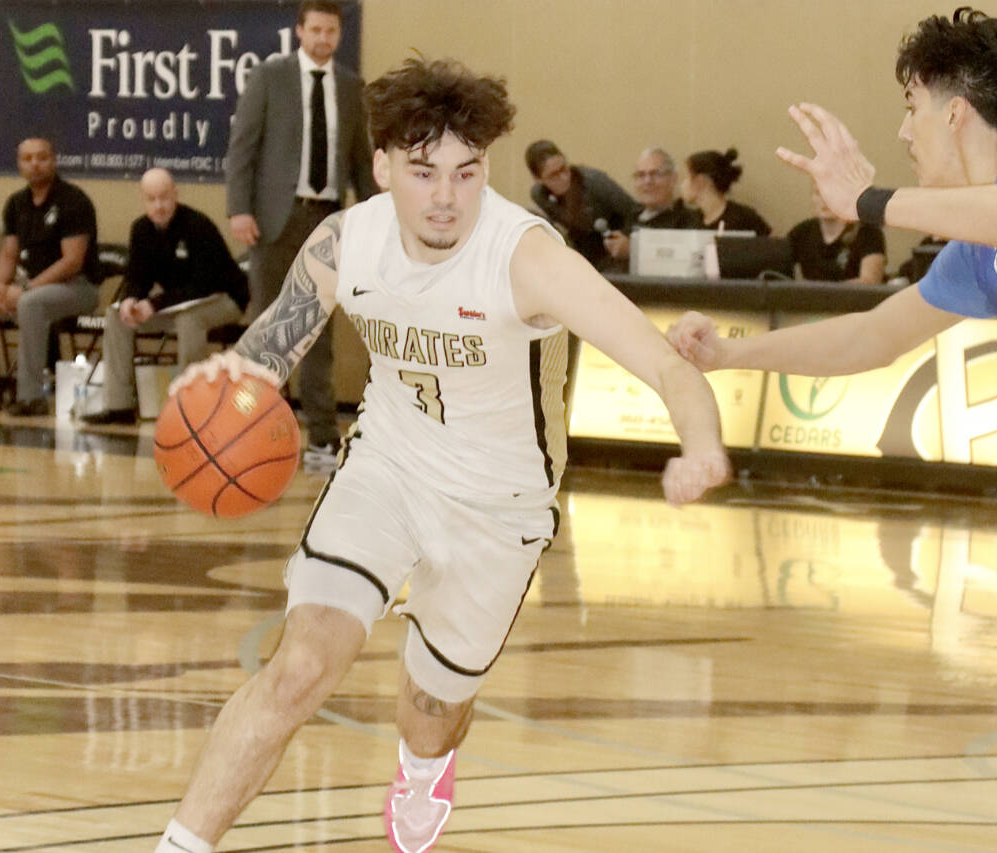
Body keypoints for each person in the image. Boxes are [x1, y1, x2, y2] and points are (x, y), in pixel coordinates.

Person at [669, 9, 997, 853]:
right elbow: (867, 337)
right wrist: (731, 354)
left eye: (910, 105)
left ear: (955, 112)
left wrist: (871, 201)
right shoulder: (974, 254)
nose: (901, 128)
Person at [153, 57, 730, 853]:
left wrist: (700, 445)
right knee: (298, 669)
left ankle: (423, 769)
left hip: (500, 503)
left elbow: (667, 364)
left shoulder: (525, 256)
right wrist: (226, 385)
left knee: (429, 712)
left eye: (465, 172)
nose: (446, 197)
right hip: (386, 468)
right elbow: (264, 357)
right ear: (383, 165)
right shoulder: (342, 242)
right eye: (423, 173)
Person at [225, 0, 374, 470]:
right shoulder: (271, 77)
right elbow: (242, 147)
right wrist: (239, 210)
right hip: (274, 218)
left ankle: (323, 439)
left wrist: (376, 217)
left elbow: (360, 159)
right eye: (315, 30)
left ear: (338, 34)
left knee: (316, 333)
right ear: (299, 31)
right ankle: (250, 433)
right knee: (267, 327)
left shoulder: (351, 88)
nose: (323, 39)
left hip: (326, 219)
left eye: (331, 31)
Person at [0, 137, 100, 416]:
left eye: (41, 157)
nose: (35, 164)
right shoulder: (17, 203)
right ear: (20, 165)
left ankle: (31, 397)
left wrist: (26, 289)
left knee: (31, 303)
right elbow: (8, 254)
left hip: (77, 288)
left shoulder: (73, 200)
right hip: (30, 285)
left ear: (53, 161)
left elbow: (72, 261)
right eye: (27, 159)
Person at [80, 169, 248, 425]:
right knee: (117, 316)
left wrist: (155, 303)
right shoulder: (141, 229)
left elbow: (202, 285)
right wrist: (130, 299)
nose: (158, 205)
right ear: (143, 199)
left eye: (164, 198)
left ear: (175, 195)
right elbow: (137, 276)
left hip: (224, 299)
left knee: (189, 320)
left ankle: (189, 408)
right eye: (151, 199)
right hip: (176, 304)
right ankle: (118, 406)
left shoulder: (197, 226)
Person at [525, 139, 639, 269]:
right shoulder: (540, 196)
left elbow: (634, 212)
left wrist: (629, 242)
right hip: (582, 257)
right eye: (554, 175)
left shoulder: (595, 182)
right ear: (539, 179)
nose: (564, 177)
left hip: (614, 253)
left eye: (563, 168)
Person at [602, 147, 704, 265]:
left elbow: (681, 262)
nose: (647, 181)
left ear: (673, 179)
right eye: (640, 175)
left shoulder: (689, 221)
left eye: (655, 174)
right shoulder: (630, 217)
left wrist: (633, 251)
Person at [786, 184, 886, 283]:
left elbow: (870, 282)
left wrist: (827, 293)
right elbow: (778, 271)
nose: (824, 200)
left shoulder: (868, 233)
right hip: (812, 298)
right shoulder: (801, 232)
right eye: (818, 193)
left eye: (833, 194)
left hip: (852, 298)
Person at [682, 148, 771, 235]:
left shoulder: (745, 218)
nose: (683, 184)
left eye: (687, 177)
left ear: (701, 181)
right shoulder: (689, 221)